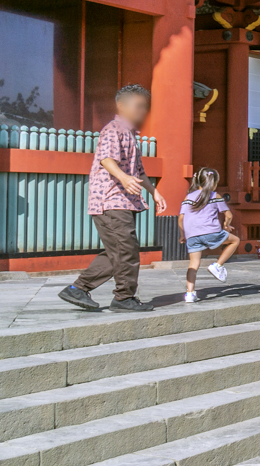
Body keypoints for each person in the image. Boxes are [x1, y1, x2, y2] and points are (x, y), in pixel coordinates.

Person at [59, 85, 166, 312]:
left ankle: (77, 289)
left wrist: (154, 192)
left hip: (123, 202)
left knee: (116, 251)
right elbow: (106, 159)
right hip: (111, 201)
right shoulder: (113, 129)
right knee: (126, 251)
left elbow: (140, 172)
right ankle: (123, 298)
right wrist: (123, 178)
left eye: (144, 107)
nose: (142, 112)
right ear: (121, 105)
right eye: (138, 106)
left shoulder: (130, 134)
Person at [179, 167, 241, 302]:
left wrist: (183, 234)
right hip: (210, 231)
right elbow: (228, 215)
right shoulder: (215, 196)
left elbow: (181, 219)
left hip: (192, 235)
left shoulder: (188, 197)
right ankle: (217, 266)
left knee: (193, 264)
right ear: (214, 183)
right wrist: (226, 225)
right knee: (235, 240)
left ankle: (189, 294)